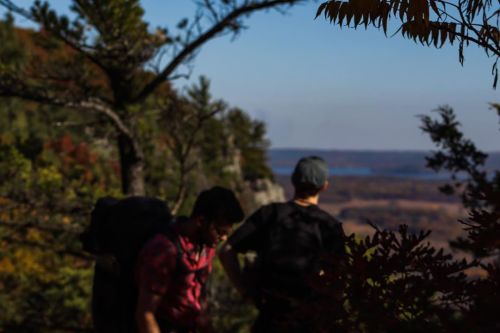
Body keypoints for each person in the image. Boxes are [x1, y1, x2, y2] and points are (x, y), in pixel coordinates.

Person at [219, 156, 346, 333]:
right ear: (324, 186)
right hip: (311, 320)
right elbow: (340, 278)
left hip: (270, 316)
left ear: (293, 180)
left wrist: (247, 293)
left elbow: (227, 250)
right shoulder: (329, 226)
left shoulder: (270, 214)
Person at [135, 186, 244, 333]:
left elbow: (198, 298)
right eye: (220, 231)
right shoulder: (163, 250)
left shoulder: (206, 246)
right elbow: (145, 314)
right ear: (201, 221)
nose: (223, 238)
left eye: (227, 233)